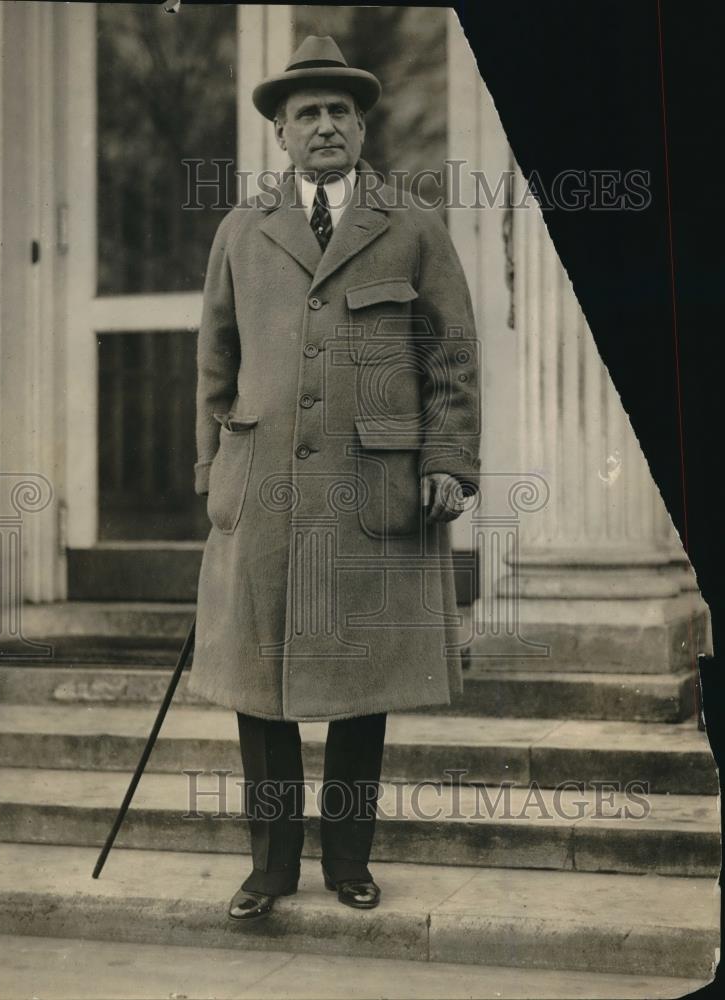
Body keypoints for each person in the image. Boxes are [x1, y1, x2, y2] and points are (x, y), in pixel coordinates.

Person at [189, 35, 480, 922]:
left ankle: (349, 860)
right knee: (261, 690)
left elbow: (452, 360)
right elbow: (214, 364)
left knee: (363, 688)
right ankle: (270, 868)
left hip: (374, 494)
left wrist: (449, 463)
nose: (325, 126)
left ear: (361, 128)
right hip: (263, 494)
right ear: (280, 133)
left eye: (340, 112)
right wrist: (212, 473)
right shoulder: (241, 230)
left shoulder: (413, 225)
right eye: (307, 113)